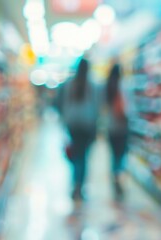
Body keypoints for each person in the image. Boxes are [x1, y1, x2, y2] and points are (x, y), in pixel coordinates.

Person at [57, 57, 101, 200]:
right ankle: (80, 186)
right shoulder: (92, 85)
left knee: (76, 156)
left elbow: (65, 104)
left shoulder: (70, 84)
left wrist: (65, 122)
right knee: (84, 157)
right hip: (87, 125)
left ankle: (75, 184)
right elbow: (96, 107)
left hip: (73, 125)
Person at [106, 62, 128, 201]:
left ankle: (114, 176)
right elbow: (127, 108)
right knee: (121, 155)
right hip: (122, 126)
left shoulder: (107, 87)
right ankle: (119, 177)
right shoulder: (123, 87)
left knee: (114, 155)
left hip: (110, 126)